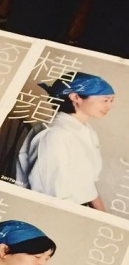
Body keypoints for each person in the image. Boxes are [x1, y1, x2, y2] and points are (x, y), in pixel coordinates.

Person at [15, 73, 114, 210]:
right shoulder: (55, 134)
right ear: (75, 97)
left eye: (111, 101)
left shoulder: (87, 131)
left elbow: (88, 185)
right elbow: (48, 196)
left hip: (78, 207)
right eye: (105, 100)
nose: (109, 106)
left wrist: (102, 214)